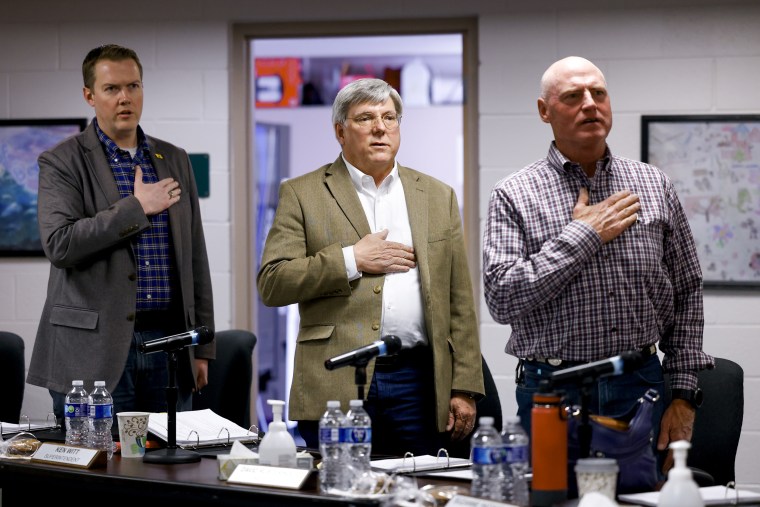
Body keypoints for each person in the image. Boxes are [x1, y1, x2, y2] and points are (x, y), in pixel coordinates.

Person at [482, 56, 714, 473]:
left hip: (639, 383)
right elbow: (502, 299)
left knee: (639, 500)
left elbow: (687, 291)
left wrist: (682, 393)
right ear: (544, 111)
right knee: (552, 501)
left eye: (598, 93)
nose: (590, 104)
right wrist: (583, 236)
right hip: (551, 389)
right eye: (573, 96)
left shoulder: (652, 184)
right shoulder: (513, 193)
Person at [257, 78, 483, 457]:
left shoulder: (436, 195)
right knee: (340, 489)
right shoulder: (302, 192)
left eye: (389, 117)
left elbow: (458, 299)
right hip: (336, 376)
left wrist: (464, 386)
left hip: (418, 379)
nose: (381, 127)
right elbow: (273, 282)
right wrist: (351, 260)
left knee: (419, 490)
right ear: (340, 132)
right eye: (366, 118)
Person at [27, 44, 215, 424]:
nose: (125, 97)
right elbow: (61, 245)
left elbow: (195, 255)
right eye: (112, 88)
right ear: (89, 96)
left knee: (168, 471)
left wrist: (203, 346)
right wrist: (136, 208)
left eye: (134, 86)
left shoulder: (172, 158)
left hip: (168, 345)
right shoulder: (62, 161)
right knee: (98, 470)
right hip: (91, 349)